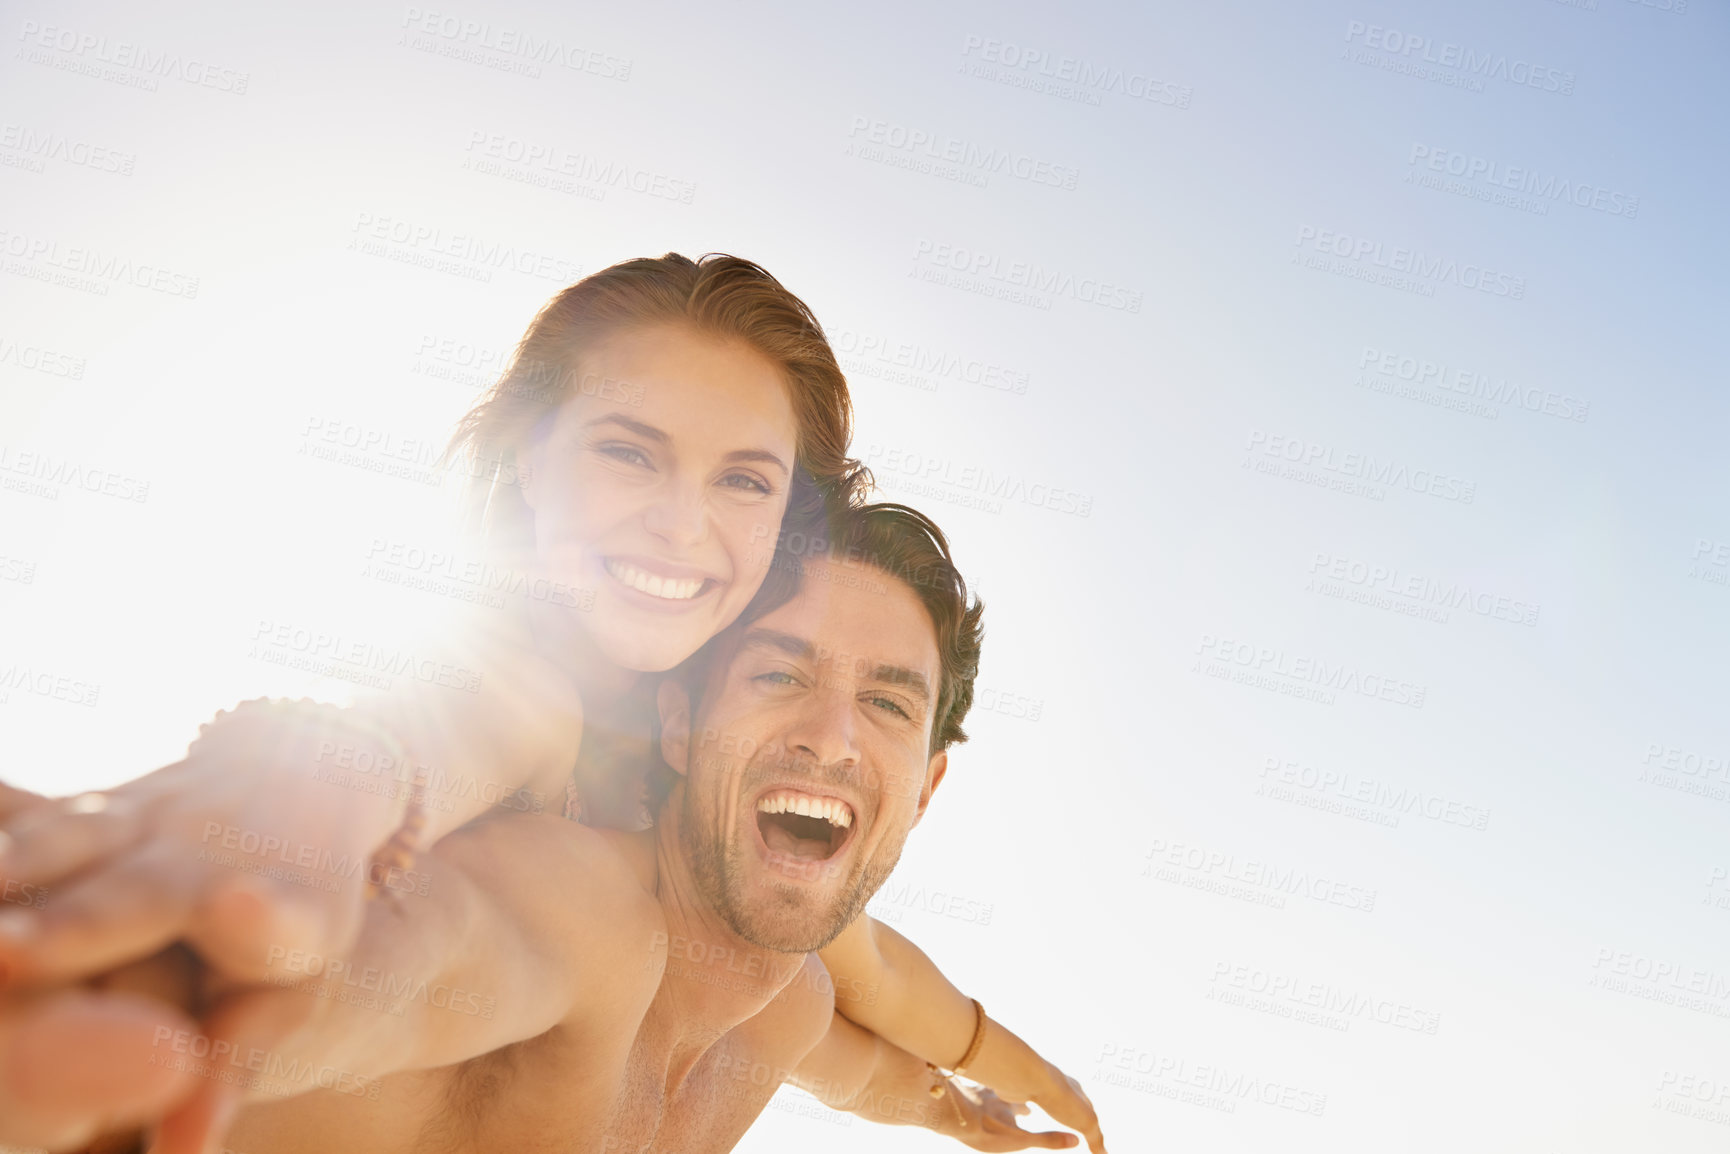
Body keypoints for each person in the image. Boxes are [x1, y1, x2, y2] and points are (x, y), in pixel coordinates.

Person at [0, 257, 1103, 1150]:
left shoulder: (765, 941)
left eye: (742, 479)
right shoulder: (530, 719)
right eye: (629, 452)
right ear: (529, 461)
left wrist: (978, 1095)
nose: (679, 526)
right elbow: (419, 755)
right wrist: (285, 802)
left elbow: (871, 993)